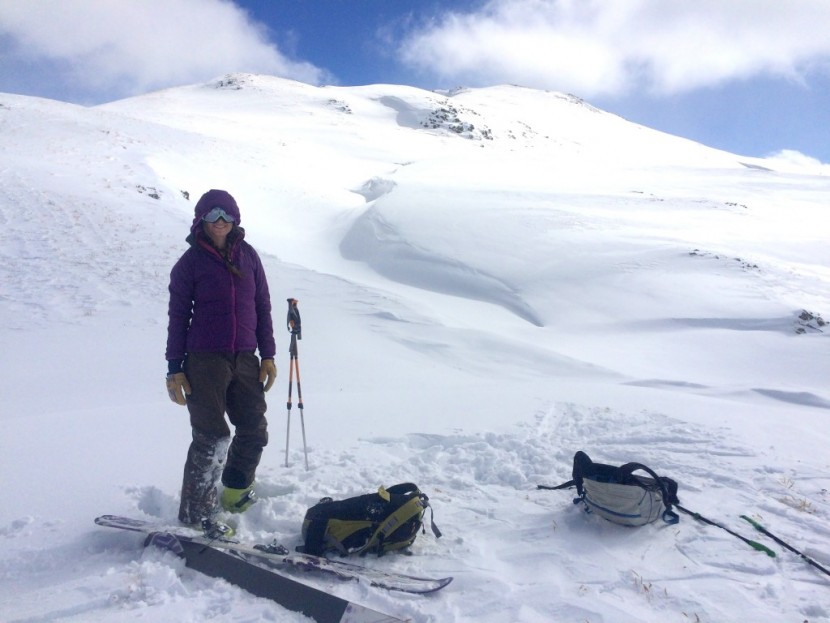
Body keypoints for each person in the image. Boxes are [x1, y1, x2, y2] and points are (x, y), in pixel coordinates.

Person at [165, 189, 277, 526]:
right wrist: (174, 368)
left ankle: (235, 491)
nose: (220, 222)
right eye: (212, 216)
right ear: (200, 220)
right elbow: (178, 316)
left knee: (254, 429)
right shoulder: (190, 264)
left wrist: (268, 355)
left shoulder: (249, 257)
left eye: (226, 215)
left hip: (245, 357)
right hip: (204, 361)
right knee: (211, 437)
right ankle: (197, 516)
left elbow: (262, 306)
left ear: (235, 219)